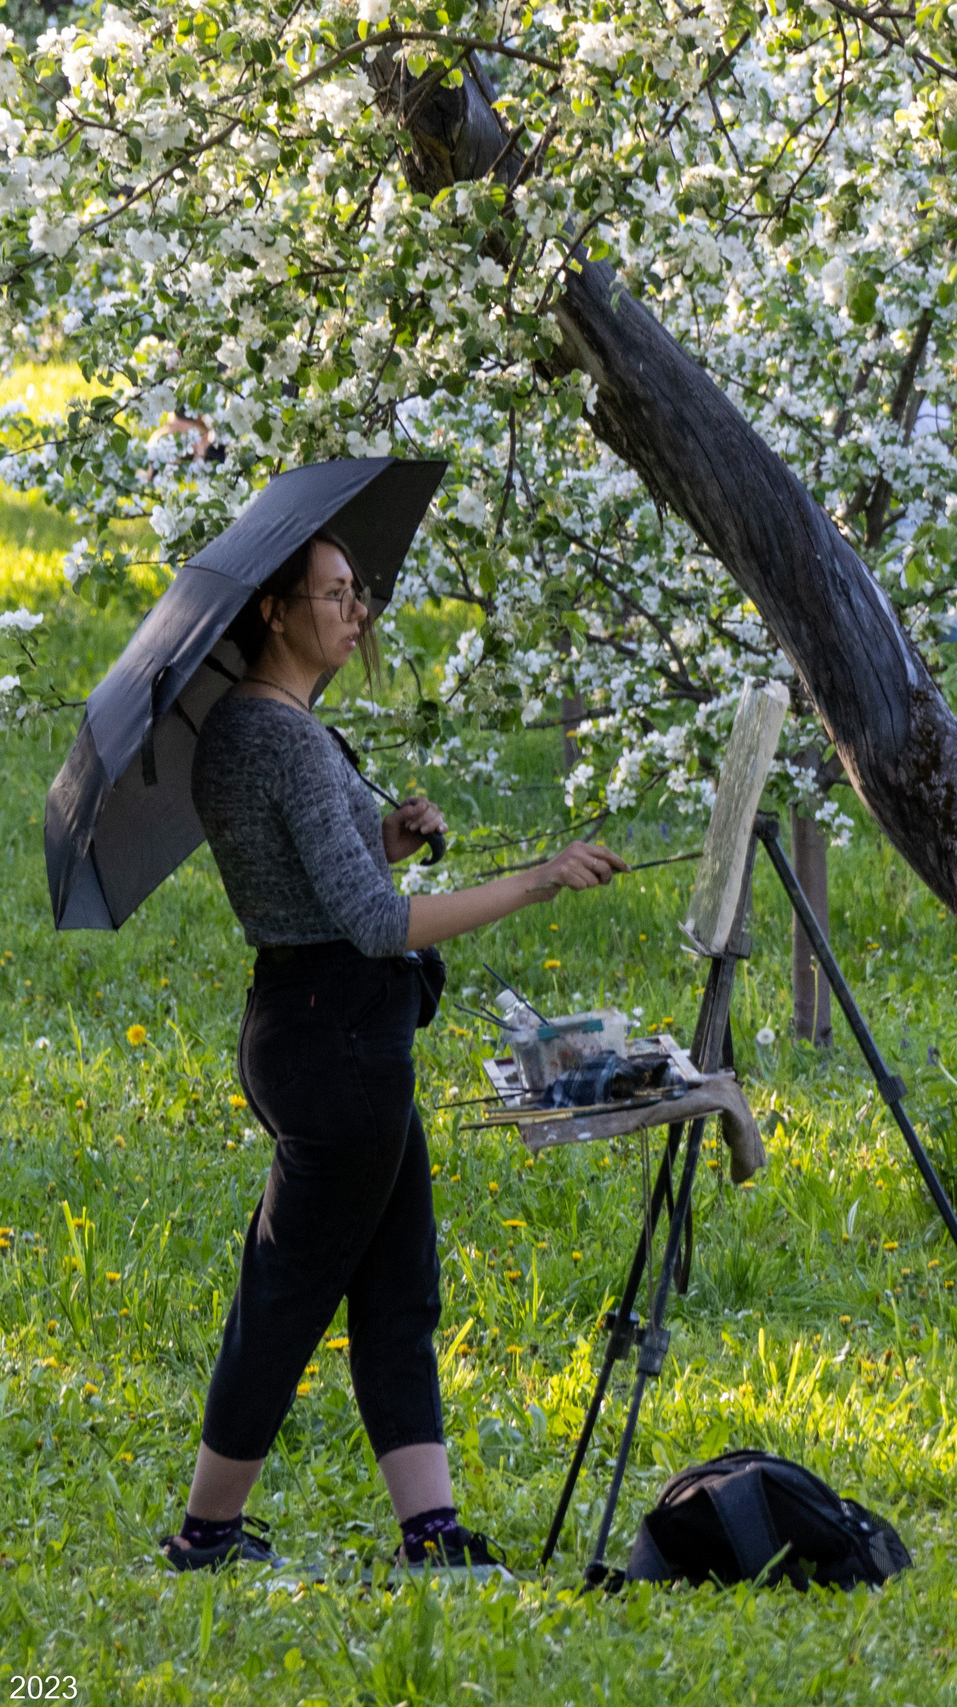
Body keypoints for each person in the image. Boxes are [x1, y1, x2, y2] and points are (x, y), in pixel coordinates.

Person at [165, 528, 626, 1577]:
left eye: (354, 591)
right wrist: (538, 879)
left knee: (395, 1291)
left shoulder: (256, 729)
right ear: (275, 611)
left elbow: (312, 881)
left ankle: (431, 1532)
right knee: (286, 1295)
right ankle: (204, 1536)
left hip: (318, 1024)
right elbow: (374, 926)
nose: (353, 610)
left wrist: (386, 843)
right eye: (331, 593)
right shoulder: (281, 738)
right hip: (337, 1042)